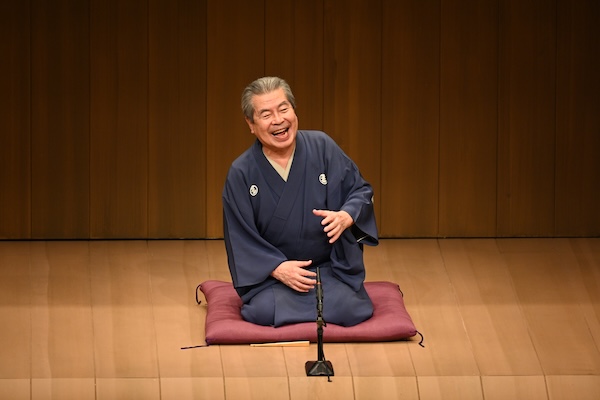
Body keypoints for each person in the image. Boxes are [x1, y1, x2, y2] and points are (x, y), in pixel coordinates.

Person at [222, 76, 379, 327]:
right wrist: (277, 268)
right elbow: (239, 236)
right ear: (251, 124)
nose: (278, 120)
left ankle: (314, 305)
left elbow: (360, 191)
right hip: (273, 278)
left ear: (294, 111)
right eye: (266, 114)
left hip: (328, 270)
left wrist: (346, 215)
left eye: (283, 109)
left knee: (352, 308)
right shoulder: (241, 172)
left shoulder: (323, 147)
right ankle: (312, 305)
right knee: (262, 310)